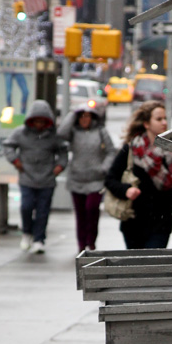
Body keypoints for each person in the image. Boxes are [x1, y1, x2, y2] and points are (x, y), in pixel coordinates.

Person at [104, 101, 172, 249]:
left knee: (154, 265)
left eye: (164, 118)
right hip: (133, 222)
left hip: (161, 223)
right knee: (136, 268)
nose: (164, 122)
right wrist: (126, 190)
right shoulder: (131, 149)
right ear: (146, 124)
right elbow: (110, 179)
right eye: (158, 119)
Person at [3, 99, 68, 254]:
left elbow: (63, 152)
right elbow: (8, 146)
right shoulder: (20, 133)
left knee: (42, 211)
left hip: (47, 179)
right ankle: (27, 232)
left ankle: (39, 239)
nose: (39, 124)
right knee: (26, 206)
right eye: (36, 121)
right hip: (27, 177)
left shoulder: (54, 136)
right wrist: (15, 161)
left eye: (42, 121)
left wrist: (59, 166)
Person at [57, 103, 116, 252]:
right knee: (80, 214)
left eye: (88, 116)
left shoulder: (101, 131)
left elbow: (111, 151)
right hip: (77, 178)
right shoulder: (73, 132)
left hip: (96, 179)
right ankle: (81, 245)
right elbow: (61, 133)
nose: (85, 119)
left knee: (92, 209)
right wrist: (72, 113)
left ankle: (91, 241)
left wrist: (104, 167)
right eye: (82, 116)